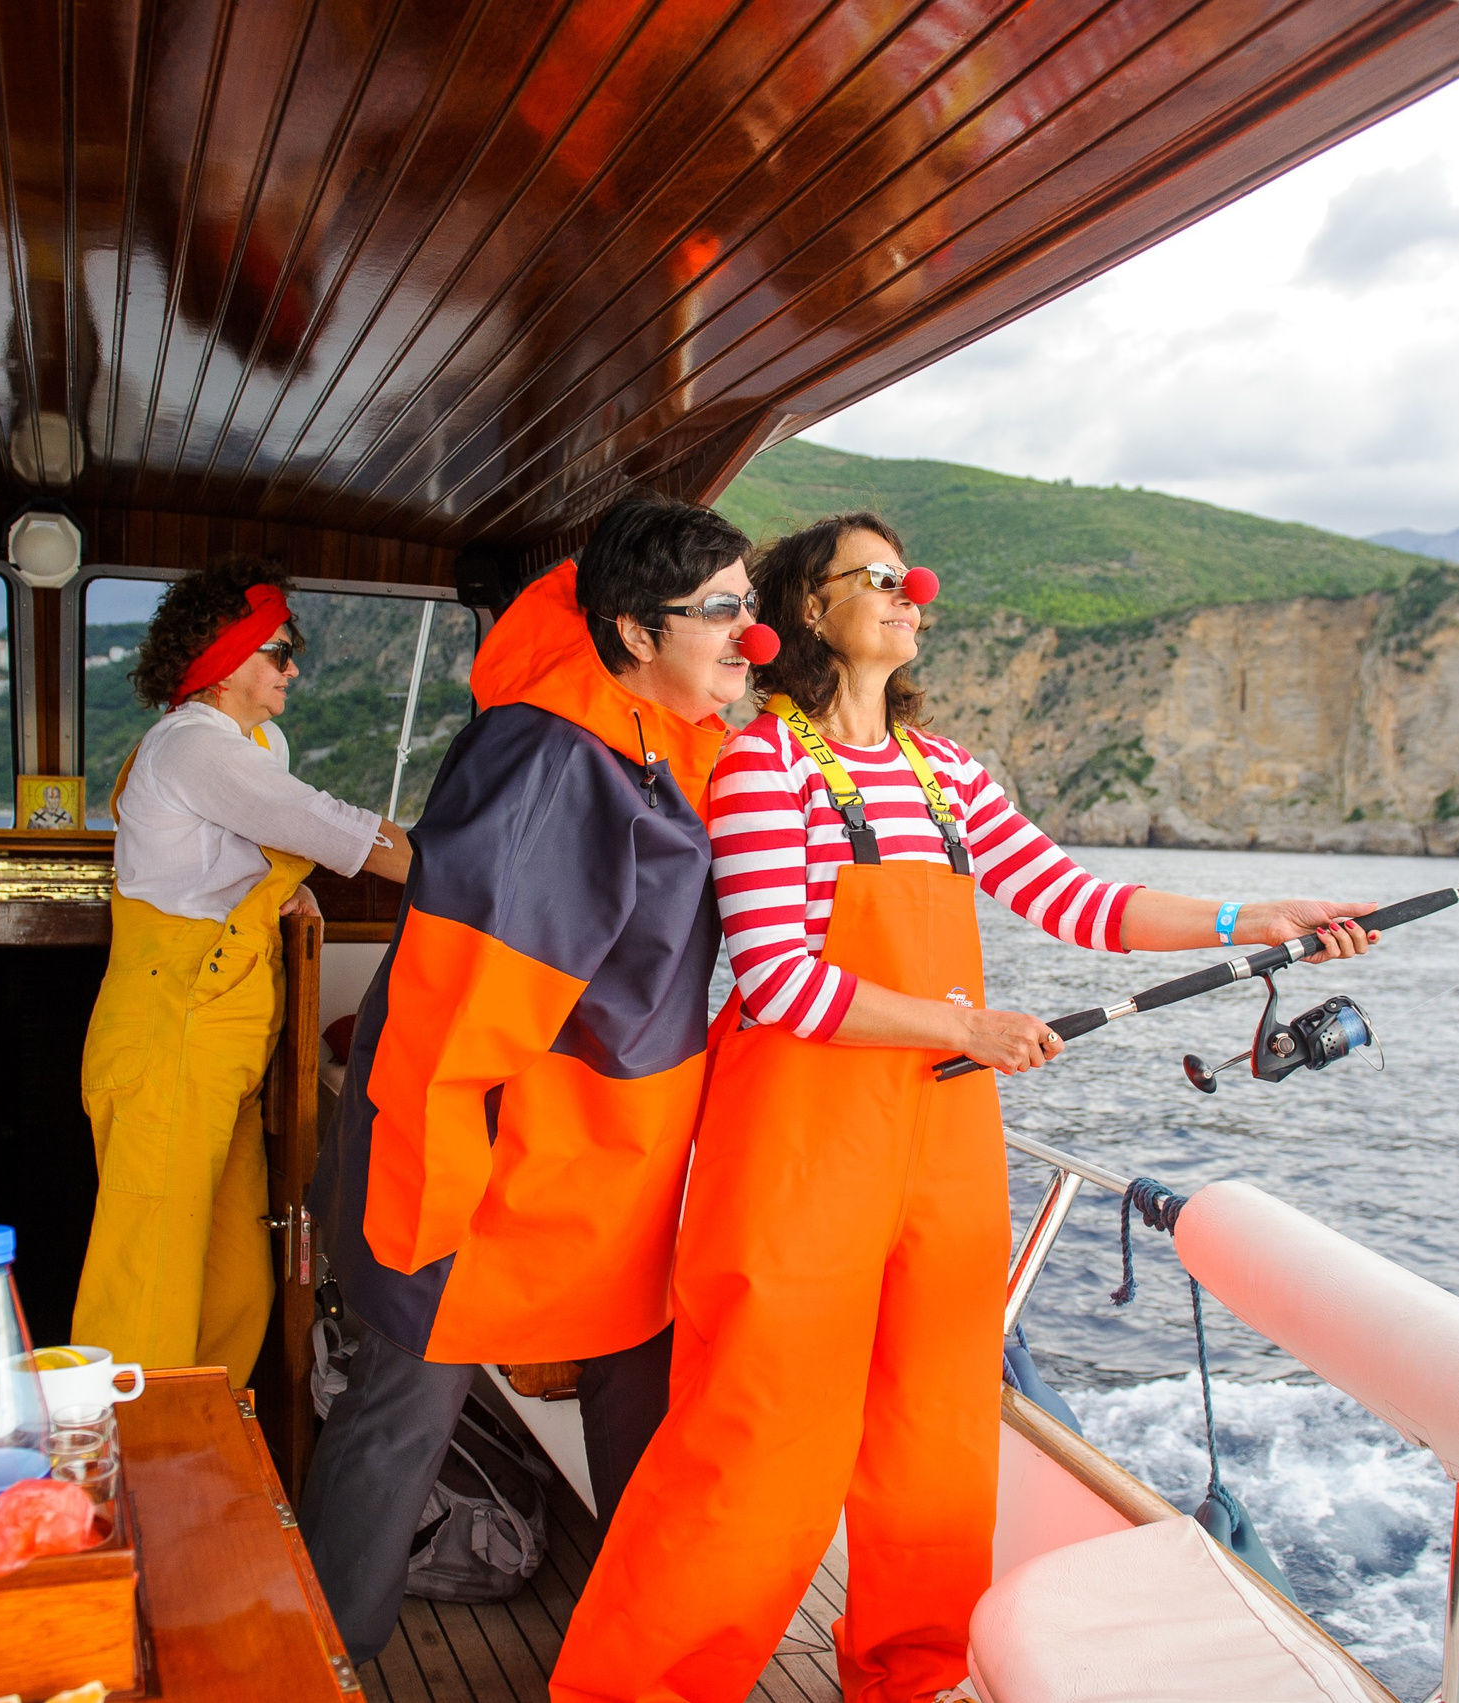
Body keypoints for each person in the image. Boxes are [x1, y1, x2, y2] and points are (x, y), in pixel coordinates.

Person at [554, 513, 1382, 1703]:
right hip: (798, 1147)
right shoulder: (761, 766)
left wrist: (1250, 920)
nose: (912, 592)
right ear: (805, 613)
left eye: (909, 577)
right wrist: (964, 1027)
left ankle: (907, 1673)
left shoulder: (946, 771)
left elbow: (1075, 897)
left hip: (941, 1146)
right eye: (878, 577)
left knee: (934, 1433)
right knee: (756, 1441)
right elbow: (782, 978)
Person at [299, 496, 768, 1662]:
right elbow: (457, 1002)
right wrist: (427, 1187)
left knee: (638, 1405)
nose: (746, 637)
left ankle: (638, 1658)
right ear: (632, 630)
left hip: (616, 1159)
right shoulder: (555, 753)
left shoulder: (680, 743)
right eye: (718, 610)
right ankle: (301, 1667)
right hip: (497, 1158)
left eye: (749, 606)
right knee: (401, 1415)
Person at [71, 557, 410, 1388]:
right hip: (168, 1033)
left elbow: (246, 853)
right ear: (226, 662)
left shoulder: (258, 742)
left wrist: (285, 898)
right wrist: (488, 878)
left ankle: (206, 1456)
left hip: (224, 1038)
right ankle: (130, 1476)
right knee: (146, 1283)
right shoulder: (194, 744)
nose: (293, 668)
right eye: (279, 650)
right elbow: (341, 832)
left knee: (233, 1280)